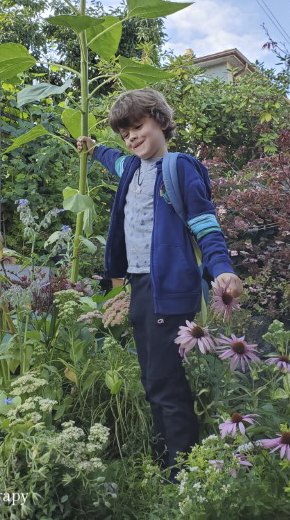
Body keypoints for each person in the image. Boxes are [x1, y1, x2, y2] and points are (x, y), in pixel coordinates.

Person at [76, 88, 243, 478]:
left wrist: (221, 267)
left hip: (168, 287)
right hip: (139, 285)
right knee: (152, 377)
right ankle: (166, 454)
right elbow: (112, 160)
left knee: (167, 381)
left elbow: (205, 224)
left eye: (138, 127)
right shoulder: (131, 168)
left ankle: (181, 471)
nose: (132, 138)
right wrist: (93, 146)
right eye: (125, 133)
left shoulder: (180, 168)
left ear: (162, 122)